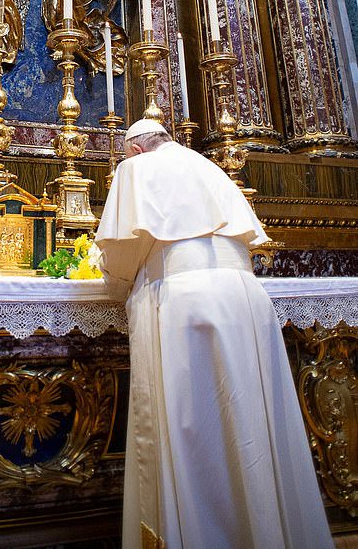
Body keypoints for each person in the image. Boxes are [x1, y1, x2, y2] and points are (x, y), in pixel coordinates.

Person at [95, 119, 333, 549]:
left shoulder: (137, 169)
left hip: (187, 302)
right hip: (245, 298)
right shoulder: (207, 165)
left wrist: (106, 273)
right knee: (250, 422)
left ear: (133, 151)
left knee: (193, 428)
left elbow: (121, 253)